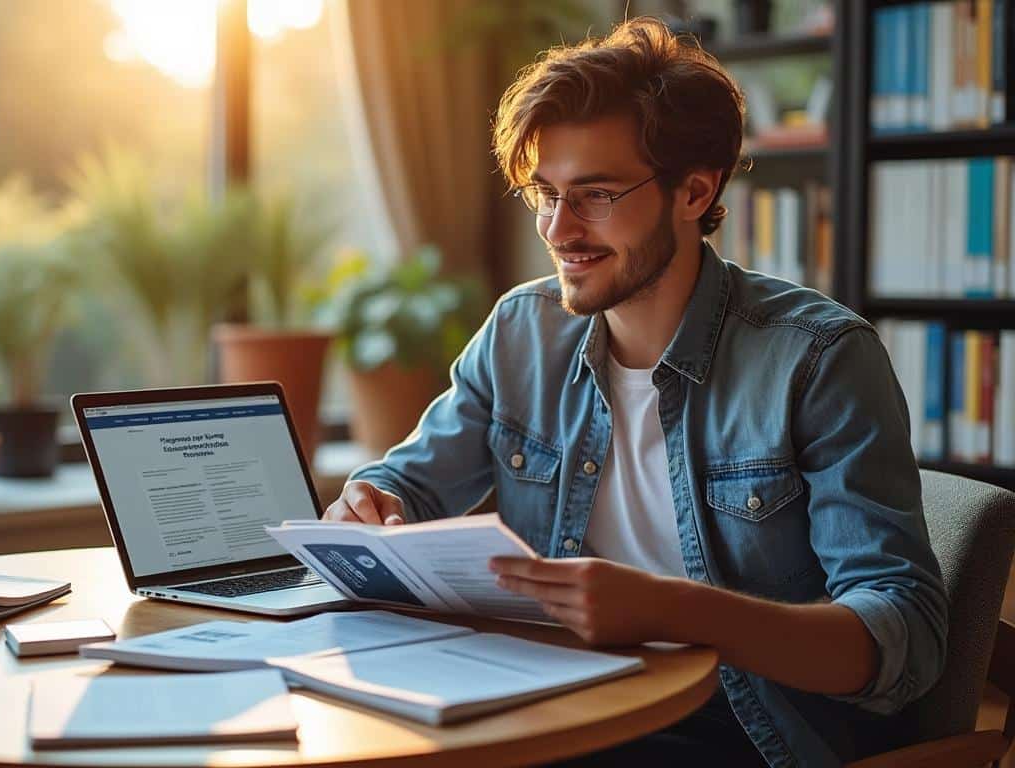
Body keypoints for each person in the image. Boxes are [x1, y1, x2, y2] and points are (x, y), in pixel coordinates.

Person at [325, 17, 947, 768]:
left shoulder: (818, 359)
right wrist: (370, 503)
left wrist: (673, 611)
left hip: (749, 735)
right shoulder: (521, 331)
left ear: (694, 191)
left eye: (595, 194)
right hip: (558, 706)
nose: (558, 230)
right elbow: (409, 484)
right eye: (545, 193)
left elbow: (902, 637)